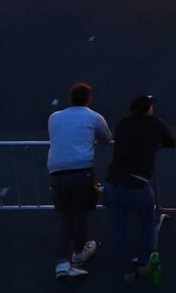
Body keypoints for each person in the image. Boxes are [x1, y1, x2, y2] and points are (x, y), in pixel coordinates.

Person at [105, 95, 176, 282]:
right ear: (148, 109)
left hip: (112, 183)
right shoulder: (156, 124)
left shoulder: (121, 123)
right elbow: (171, 142)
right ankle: (144, 263)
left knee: (118, 228)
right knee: (146, 221)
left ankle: (128, 270)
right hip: (136, 185)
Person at [48, 83, 112, 280]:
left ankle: (61, 262)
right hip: (81, 172)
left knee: (65, 216)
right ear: (89, 99)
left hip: (57, 173)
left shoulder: (55, 117)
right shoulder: (93, 116)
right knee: (80, 214)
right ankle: (79, 253)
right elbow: (106, 138)